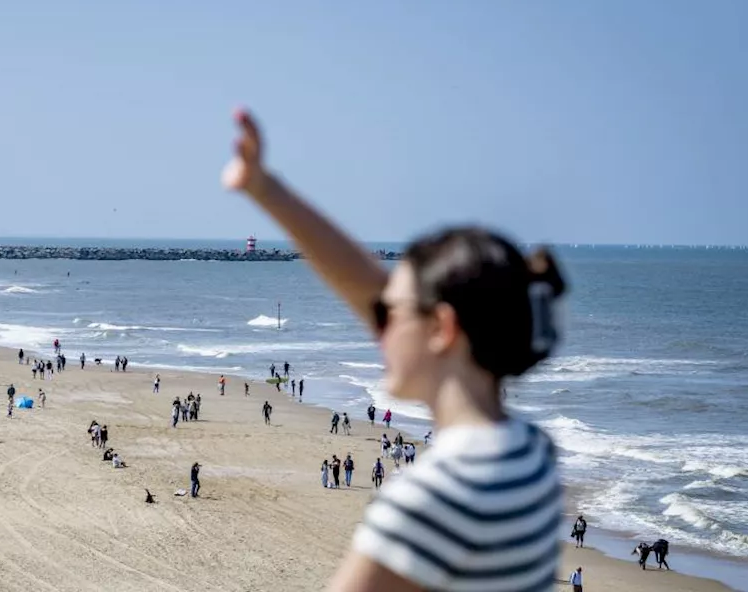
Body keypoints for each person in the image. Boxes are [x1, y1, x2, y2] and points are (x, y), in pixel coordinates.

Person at [222, 109, 568, 591]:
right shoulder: (531, 451)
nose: (376, 328)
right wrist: (265, 189)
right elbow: (366, 286)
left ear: (442, 328)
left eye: (389, 316)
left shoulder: (439, 493)